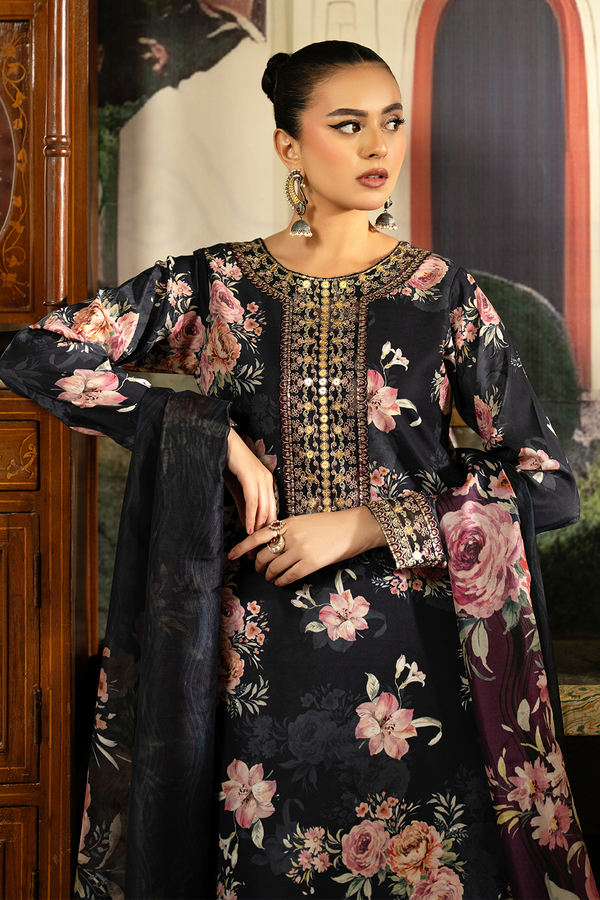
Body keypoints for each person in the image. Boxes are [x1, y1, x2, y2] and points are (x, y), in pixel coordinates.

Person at [0, 40, 596, 900]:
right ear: (289, 145)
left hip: (417, 666)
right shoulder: (217, 289)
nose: (378, 147)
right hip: (254, 661)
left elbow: (546, 483)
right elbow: (35, 353)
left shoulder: (441, 294)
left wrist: (364, 524)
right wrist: (208, 434)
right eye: (347, 125)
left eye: (391, 122)